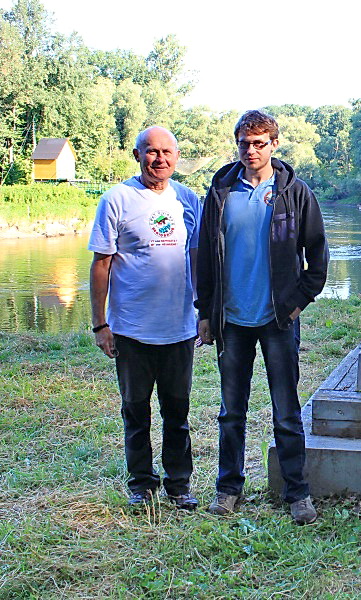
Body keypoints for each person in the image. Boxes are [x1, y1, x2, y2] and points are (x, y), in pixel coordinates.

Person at [196, 110, 329, 524]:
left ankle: (297, 493)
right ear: (237, 145)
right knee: (230, 412)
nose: (251, 150)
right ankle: (228, 489)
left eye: (259, 143)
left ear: (274, 144)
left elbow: (317, 256)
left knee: (286, 412)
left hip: (278, 320)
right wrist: (205, 311)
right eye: (244, 143)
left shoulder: (295, 193)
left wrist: (297, 302)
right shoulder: (221, 192)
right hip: (232, 320)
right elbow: (205, 256)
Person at [89, 126, 200, 510]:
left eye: (167, 152)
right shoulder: (116, 199)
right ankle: (141, 485)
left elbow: (197, 257)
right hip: (131, 331)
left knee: (178, 413)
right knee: (136, 412)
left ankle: (179, 485)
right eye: (152, 151)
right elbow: (101, 264)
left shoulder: (188, 199)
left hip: (179, 329)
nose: (160, 159)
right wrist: (100, 324)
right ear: (137, 155)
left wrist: (203, 310)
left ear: (177, 156)